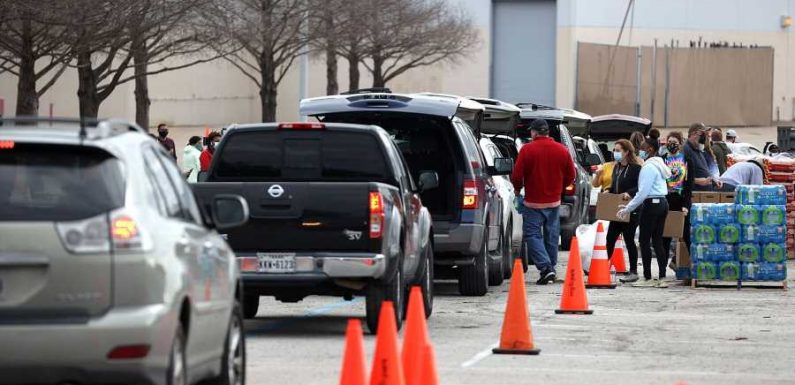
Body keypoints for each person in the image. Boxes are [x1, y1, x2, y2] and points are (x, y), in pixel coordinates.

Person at [512, 119, 576, 285]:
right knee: (552, 235)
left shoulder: (527, 150)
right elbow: (571, 175)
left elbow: (517, 175)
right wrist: (559, 187)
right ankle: (551, 267)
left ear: (534, 132)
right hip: (554, 202)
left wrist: (518, 189)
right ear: (547, 132)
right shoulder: (562, 150)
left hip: (532, 202)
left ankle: (545, 267)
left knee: (532, 234)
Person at [617, 138, 672, 287]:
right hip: (662, 203)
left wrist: (628, 208)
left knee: (644, 241)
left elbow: (642, 193)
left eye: (642, 148)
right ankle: (662, 277)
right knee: (658, 240)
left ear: (650, 150)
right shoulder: (660, 165)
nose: (639, 150)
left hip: (651, 204)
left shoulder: (648, 167)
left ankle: (647, 277)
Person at [604, 139, 643, 283]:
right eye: (614, 150)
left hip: (631, 209)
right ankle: (602, 267)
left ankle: (633, 270)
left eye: (618, 150)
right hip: (617, 208)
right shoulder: (617, 168)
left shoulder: (636, 169)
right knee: (610, 238)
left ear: (626, 152)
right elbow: (614, 186)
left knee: (629, 239)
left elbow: (641, 187)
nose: (615, 153)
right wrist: (608, 190)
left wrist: (629, 193)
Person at [662, 132, 688, 269]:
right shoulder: (662, 159)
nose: (671, 144)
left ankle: (683, 263)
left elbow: (688, 185)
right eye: (669, 141)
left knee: (684, 233)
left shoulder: (686, 159)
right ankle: (662, 269)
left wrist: (686, 204)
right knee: (664, 235)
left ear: (680, 144)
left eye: (674, 142)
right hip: (665, 199)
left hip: (679, 200)